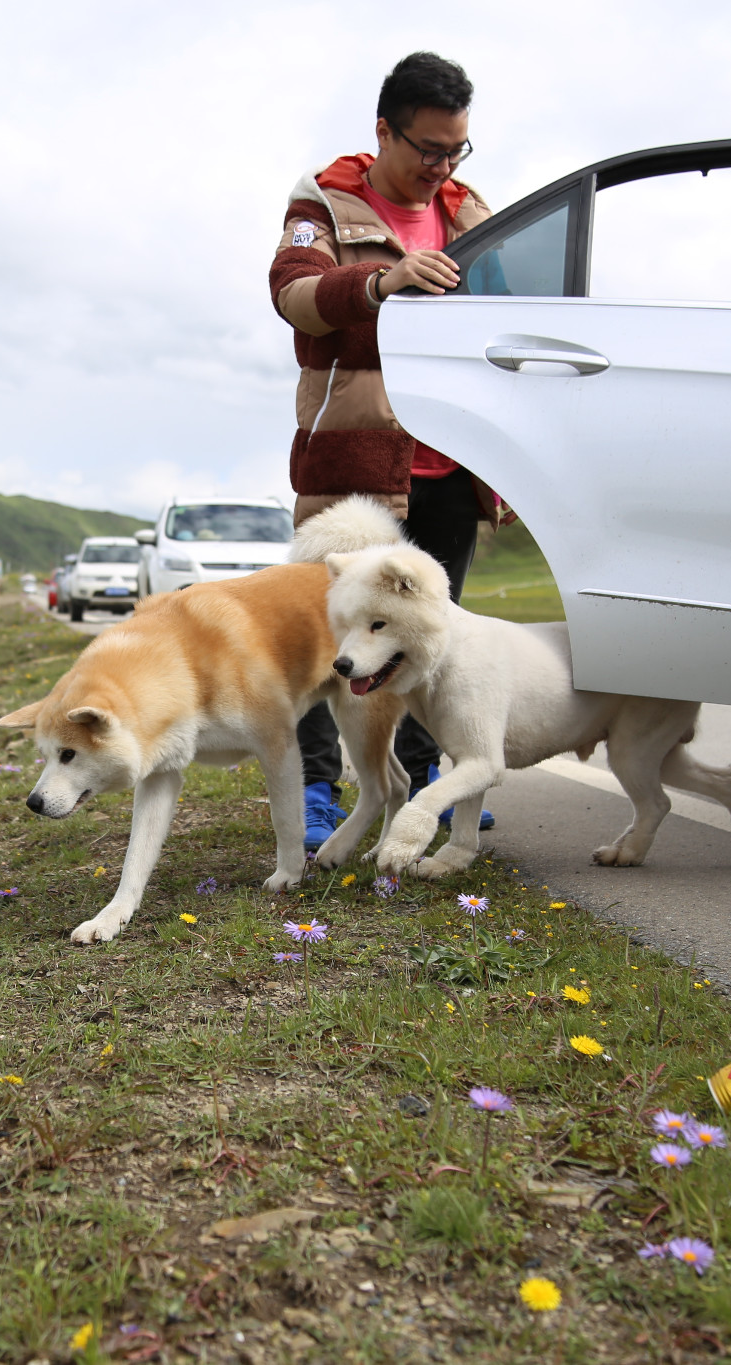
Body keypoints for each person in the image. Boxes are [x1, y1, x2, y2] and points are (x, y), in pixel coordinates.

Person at [270, 50, 503, 848]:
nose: (442, 167)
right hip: (357, 466)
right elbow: (294, 296)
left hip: (449, 466)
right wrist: (382, 280)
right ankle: (315, 791)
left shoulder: (472, 210)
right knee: (328, 639)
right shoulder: (325, 198)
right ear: (384, 131)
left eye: (456, 150)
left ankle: (428, 788)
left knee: (426, 635)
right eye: (427, 149)